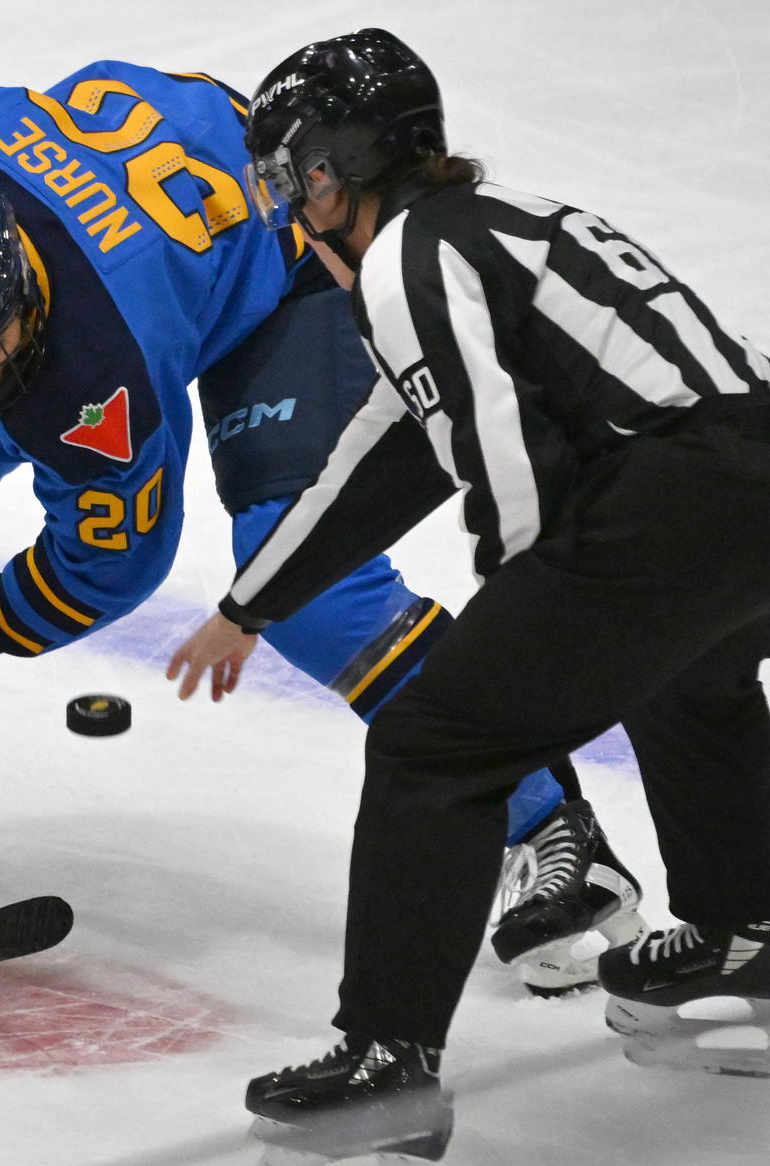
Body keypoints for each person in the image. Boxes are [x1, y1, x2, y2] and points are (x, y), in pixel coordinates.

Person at [0, 0, 635, 996]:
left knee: (307, 587)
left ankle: (551, 821)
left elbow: (109, 570)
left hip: (270, 264)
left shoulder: (101, 377)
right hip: (86, 220)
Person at [168, 28, 770, 1160]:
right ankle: (756, 940)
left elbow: (510, 470)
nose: (289, 210)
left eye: (288, 178)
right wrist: (247, 606)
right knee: (695, 679)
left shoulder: (405, 255)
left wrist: (515, 641)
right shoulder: (495, 225)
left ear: (326, 172)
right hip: (749, 476)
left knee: (436, 746)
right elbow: (380, 455)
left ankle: (386, 1063)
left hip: (668, 498)